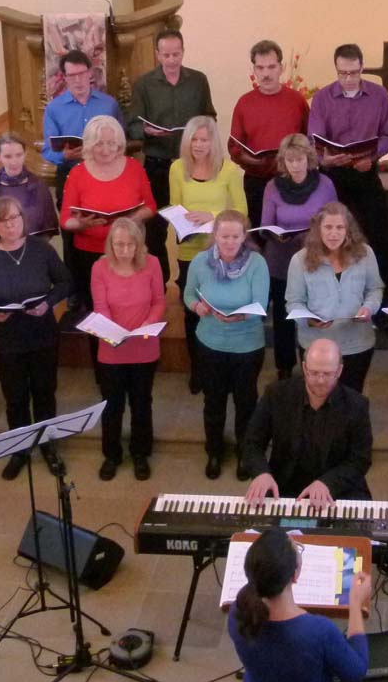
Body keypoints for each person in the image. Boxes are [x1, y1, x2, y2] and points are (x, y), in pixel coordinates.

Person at [0, 197, 72, 481]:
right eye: (3, 221)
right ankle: (20, 449)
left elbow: (64, 282)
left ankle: (48, 445)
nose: (11, 225)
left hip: (42, 334)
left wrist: (48, 302)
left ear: (23, 219)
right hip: (7, 339)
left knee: (44, 392)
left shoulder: (41, 249)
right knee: (15, 397)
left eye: (15, 218)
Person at [228, 527, 371, 682]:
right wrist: (356, 604)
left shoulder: (237, 612)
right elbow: (356, 672)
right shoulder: (318, 632)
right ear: (295, 575)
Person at [307, 43, 388, 310]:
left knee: (378, 238)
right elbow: (314, 139)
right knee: (332, 236)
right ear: (336, 70)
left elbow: (387, 134)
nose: (348, 79)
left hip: (366, 173)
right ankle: (332, 303)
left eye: (353, 73)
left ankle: (378, 307)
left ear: (362, 68)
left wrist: (373, 157)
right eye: (342, 73)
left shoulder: (378, 95)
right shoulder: (322, 98)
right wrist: (325, 159)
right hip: (333, 177)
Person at [183, 209, 269, 480]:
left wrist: (241, 315)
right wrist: (197, 307)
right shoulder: (200, 261)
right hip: (211, 342)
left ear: (244, 237)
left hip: (247, 345)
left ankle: (246, 453)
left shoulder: (257, 263)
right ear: (215, 235)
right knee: (214, 401)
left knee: (246, 403)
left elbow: (261, 303)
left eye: (235, 236)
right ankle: (214, 451)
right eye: (224, 236)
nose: (230, 242)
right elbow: (188, 294)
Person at [127, 28, 217, 283]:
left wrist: (200, 131)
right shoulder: (144, 84)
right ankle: (160, 281)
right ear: (157, 54)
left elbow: (210, 115)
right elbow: (132, 124)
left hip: (193, 164)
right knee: (156, 227)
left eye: (176, 54)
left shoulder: (198, 80)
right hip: (158, 164)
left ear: (183, 52)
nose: (171, 60)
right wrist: (146, 130)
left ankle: (189, 278)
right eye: (166, 55)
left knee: (191, 223)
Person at [170, 115, 248, 393]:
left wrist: (212, 217)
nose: (199, 144)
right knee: (193, 312)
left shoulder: (229, 170)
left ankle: (222, 368)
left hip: (221, 251)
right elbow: (175, 208)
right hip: (189, 251)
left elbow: (241, 211)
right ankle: (198, 370)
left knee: (219, 309)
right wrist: (183, 221)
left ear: (213, 142)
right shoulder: (177, 168)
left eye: (204, 139)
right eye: (194, 139)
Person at [243, 338, 373, 503]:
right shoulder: (276, 394)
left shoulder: (357, 405)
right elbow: (252, 442)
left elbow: (360, 459)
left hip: (337, 485)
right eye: (314, 373)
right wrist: (261, 473)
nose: (320, 380)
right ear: (304, 368)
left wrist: (327, 483)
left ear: (339, 371)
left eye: (327, 374)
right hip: (285, 483)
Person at [259, 134, 338, 381]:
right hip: (281, 259)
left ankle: (313, 363)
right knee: (283, 317)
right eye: (290, 160)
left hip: (316, 259)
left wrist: (316, 237)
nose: (295, 165)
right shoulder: (272, 187)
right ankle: (284, 368)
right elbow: (265, 225)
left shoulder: (325, 184)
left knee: (313, 313)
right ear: (283, 161)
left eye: (299, 159)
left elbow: (335, 221)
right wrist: (275, 235)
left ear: (309, 159)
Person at [92, 218, 165, 481]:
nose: (124, 250)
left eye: (130, 245)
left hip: (144, 345)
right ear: (110, 244)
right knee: (112, 405)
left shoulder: (152, 264)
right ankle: (111, 455)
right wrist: (113, 331)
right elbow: (101, 307)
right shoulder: (100, 267)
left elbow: (159, 301)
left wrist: (148, 322)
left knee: (141, 402)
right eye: (118, 244)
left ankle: (140, 453)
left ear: (138, 244)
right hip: (112, 348)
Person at [59, 114, 156, 312]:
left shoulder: (134, 167)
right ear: (89, 145)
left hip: (128, 250)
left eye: (111, 143)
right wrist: (82, 224)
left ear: (120, 143)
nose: (105, 150)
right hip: (89, 252)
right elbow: (65, 220)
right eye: (99, 144)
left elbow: (150, 207)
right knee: (95, 308)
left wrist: (132, 219)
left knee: (130, 307)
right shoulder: (77, 173)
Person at [285, 202, 384, 392]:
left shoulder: (365, 254)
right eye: (328, 227)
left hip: (357, 344)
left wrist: (369, 308)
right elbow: (293, 302)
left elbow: (375, 289)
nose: (334, 233)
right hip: (316, 346)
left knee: (352, 399)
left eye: (340, 227)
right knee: (317, 399)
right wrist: (308, 320)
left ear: (348, 230)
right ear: (318, 229)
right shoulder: (299, 260)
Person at [229, 39, 310, 227]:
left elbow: (309, 139)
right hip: (257, 182)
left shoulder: (296, 100)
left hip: (292, 180)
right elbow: (234, 147)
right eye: (260, 68)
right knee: (259, 233)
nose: (266, 74)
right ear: (254, 70)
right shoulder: (244, 103)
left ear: (281, 68)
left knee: (293, 233)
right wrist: (254, 161)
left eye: (271, 67)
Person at [40, 48, 123, 199]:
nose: (78, 80)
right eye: (72, 75)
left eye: (82, 73)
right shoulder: (54, 108)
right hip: (70, 170)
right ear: (64, 77)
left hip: (105, 170)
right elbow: (47, 150)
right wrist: (64, 155)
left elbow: (121, 140)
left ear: (90, 72)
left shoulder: (108, 104)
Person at [0, 132, 58, 244]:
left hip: (34, 248)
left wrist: (34, 249)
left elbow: (48, 229)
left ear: (25, 154)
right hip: (0, 250)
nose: (14, 162)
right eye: (8, 156)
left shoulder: (40, 186)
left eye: (19, 155)